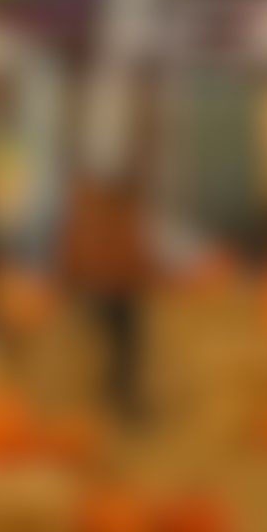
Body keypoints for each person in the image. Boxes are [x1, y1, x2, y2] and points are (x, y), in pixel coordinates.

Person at [64, 178, 157, 430]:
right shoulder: (90, 225)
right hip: (95, 298)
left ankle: (122, 404)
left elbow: (139, 262)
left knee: (124, 354)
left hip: (118, 298)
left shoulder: (120, 225)